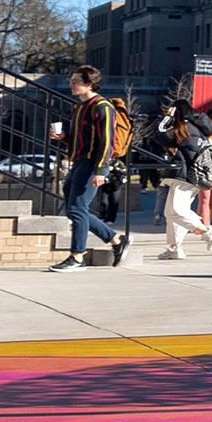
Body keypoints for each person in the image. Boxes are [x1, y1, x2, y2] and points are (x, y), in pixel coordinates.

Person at [47, 66, 133, 271]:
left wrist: (101, 171)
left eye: (76, 81)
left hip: (92, 163)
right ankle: (115, 239)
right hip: (78, 162)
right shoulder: (80, 107)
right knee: (73, 209)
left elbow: (107, 142)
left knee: (77, 208)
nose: (71, 84)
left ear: (89, 83)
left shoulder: (102, 107)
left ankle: (77, 257)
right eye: (71, 80)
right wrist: (64, 137)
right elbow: (83, 137)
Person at [157, 115, 212, 260]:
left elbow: (159, 135)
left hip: (184, 176)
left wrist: (167, 117)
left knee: (174, 211)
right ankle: (174, 247)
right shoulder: (198, 130)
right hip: (194, 176)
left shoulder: (185, 128)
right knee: (174, 212)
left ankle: (207, 231)